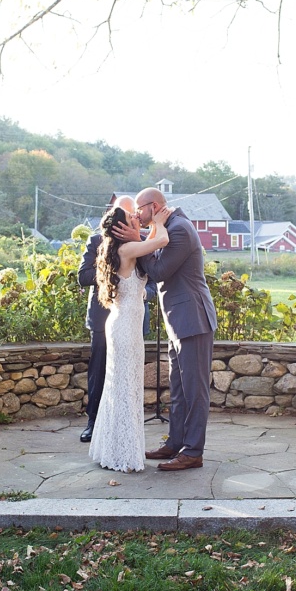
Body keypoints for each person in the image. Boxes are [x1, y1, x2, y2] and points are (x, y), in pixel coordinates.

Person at [114, 187, 218, 472]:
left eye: (139, 208)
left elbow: (159, 272)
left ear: (155, 205)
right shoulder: (166, 227)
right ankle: (175, 442)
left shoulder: (180, 230)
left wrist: (137, 240)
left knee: (194, 390)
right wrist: (144, 238)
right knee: (179, 389)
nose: (136, 214)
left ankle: (193, 452)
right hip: (178, 320)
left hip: (192, 319)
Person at [88, 203, 171, 472]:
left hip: (126, 326)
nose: (137, 216)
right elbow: (163, 240)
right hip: (124, 329)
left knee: (125, 387)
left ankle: (115, 448)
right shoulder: (126, 249)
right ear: (122, 228)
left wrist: (143, 229)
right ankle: (121, 453)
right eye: (131, 218)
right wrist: (157, 220)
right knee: (124, 388)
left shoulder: (124, 248)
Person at [77, 195, 156, 443]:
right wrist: (113, 272)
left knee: (128, 375)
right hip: (105, 317)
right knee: (101, 372)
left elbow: (153, 278)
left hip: (134, 316)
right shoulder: (97, 241)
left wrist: (143, 293)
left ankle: (124, 425)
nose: (133, 220)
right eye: (127, 214)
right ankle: (93, 422)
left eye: (134, 215)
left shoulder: (141, 242)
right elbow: (83, 275)